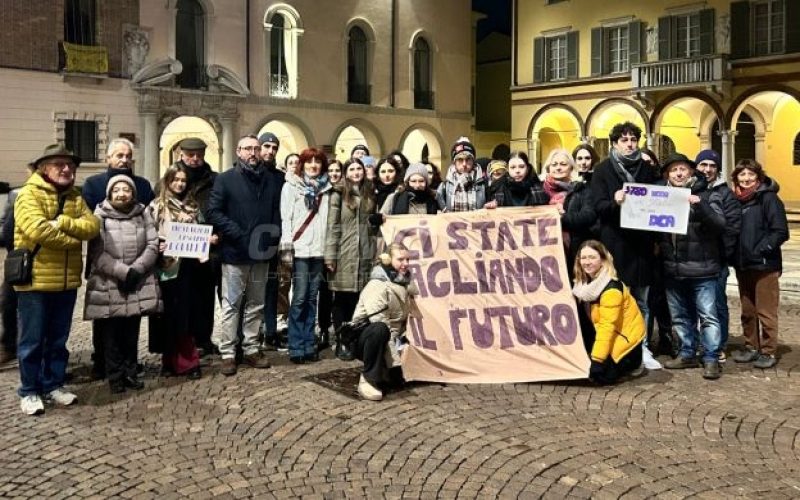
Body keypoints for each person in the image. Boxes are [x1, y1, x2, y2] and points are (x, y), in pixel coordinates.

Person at [14, 144, 100, 415]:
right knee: (32, 340)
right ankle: (29, 390)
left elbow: (93, 226)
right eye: (60, 165)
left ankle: (53, 384)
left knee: (58, 339)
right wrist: (74, 242)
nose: (67, 170)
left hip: (65, 281)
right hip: (36, 281)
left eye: (71, 166)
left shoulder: (75, 196)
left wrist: (63, 223)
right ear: (43, 168)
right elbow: (37, 230)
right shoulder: (28, 193)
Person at [207, 135, 283, 376]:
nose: (253, 152)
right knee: (231, 305)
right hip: (234, 252)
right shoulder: (225, 179)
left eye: (256, 148)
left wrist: (273, 236)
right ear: (238, 151)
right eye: (248, 148)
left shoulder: (270, 180)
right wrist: (238, 233)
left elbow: (276, 212)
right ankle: (228, 352)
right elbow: (213, 212)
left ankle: (251, 348)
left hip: (261, 253)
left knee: (256, 304)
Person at [590, 121, 662, 370]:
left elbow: (659, 199)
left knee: (642, 300)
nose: (630, 144)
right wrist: (614, 201)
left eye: (633, 140)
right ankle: (619, 348)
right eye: (624, 140)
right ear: (614, 143)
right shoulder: (603, 170)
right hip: (616, 244)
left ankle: (641, 347)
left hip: (641, 245)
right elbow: (597, 206)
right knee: (617, 299)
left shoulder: (646, 169)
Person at [82, 138, 155, 379]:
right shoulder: (93, 185)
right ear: (108, 158)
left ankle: (127, 365)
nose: (124, 160)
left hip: (137, 266)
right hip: (106, 267)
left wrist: (138, 267)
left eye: (127, 156)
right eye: (119, 155)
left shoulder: (143, 185)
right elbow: (91, 228)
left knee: (131, 316)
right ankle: (102, 362)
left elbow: (151, 223)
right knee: (104, 318)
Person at [656, 154, 726, 379]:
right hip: (673, 269)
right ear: (667, 174)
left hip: (702, 269)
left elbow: (719, 224)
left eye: (683, 169)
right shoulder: (660, 196)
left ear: (691, 172)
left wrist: (701, 205)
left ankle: (711, 357)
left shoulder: (707, 194)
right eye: (674, 170)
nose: (678, 173)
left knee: (708, 316)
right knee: (679, 316)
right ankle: (687, 353)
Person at [148, 164, 207, 380]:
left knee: (187, 316)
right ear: (168, 181)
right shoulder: (157, 206)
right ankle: (169, 361)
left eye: (183, 180)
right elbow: (148, 234)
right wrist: (157, 245)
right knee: (168, 317)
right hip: (167, 268)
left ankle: (188, 361)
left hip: (190, 268)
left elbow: (201, 230)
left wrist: (207, 239)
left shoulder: (193, 207)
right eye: (176, 180)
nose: (180, 184)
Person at [730, 159, 789, 369]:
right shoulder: (736, 200)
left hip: (765, 265)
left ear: (758, 177)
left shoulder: (769, 198)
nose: (746, 179)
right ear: (736, 178)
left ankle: (768, 351)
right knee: (748, 311)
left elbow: (780, 231)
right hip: (743, 265)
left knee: (766, 311)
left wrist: (762, 249)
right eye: (742, 175)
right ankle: (751, 347)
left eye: (751, 175)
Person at [279, 148, 334, 364]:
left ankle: (309, 343)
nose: (313, 165)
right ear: (302, 165)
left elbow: (328, 221)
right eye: (309, 162)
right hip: (300, 250)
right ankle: (296, 345)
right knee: (300, 298)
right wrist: (287, 248)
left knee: (312, 299)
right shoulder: (291, 187)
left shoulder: (327, 189)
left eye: (317, 162)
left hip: (319, 251)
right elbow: (286, 218)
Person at [351, 243, 418, 401]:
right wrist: (395, 364)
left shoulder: (404, 283)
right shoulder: (377, 286)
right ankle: (368, 378)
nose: (406, 264)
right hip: (366, 339)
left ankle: (387, 370)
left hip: (391, 339)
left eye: (408, 259)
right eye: (400, 259)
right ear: (387, 260)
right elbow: (381, 323)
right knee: (379, 329)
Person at [572, 240, 645, 385]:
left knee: (597, 377)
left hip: (623, 340)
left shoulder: (611, 289)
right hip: (607, 336)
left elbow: (607, 327)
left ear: (603, 260)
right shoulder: (583, 287)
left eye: (592, 257)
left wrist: (597, 360)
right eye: (584, 257)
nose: (587, 262)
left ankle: (632, 363)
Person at [325, 158, 377, 360]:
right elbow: (333, 226)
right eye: (352, 169)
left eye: (359, 168)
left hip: (364, 254)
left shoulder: (369, 193)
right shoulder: (338, 194)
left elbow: (371, 226)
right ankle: (341, 340)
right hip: (344, 253)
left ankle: (355, 338)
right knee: (342, 299)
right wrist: (330, 255)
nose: (356, 172)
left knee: (359, 300)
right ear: (346, 173)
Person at [171, 137, 218, 356]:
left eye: (199, 155)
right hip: (178, 255)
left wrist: (217, 235)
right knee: (182, 300)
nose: (195, 159)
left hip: (207, 250)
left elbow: (220, 210)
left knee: (206, 298)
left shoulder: (215, 180)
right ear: (181, 154)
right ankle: (184, 344)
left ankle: (204, 339)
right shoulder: (173, 179)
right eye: (191, 155)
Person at [695, 149, 741, 361]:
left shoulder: (725, 194)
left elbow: (731, 228)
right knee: (697, 305)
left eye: (712, 166)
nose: (708, 169)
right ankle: (700, 342)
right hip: (695, 258)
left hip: (716, 259)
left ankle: (719, 343)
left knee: (716, 304)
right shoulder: (690, 189)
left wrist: (724, 254)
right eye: (703, 165)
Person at [540, 149, 595, 275]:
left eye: (563, 164)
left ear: (571, 167)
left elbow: (588, 216)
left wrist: (563, 217)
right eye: (554, 165)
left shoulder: (582, 189)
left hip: (573, 251)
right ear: (548, 168)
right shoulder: (538, 190)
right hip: (544, 251)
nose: (558, 168)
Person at [259, 132, 290, 346]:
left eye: (274, 147)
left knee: (271, 289)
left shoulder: (280, 178)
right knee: (250, 292)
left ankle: (270, 332)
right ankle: (249, 334)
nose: (270, 151)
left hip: (272, 240)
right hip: (251, 241)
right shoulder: (249, 175)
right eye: (267, 146)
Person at [317, 159, 343, 349]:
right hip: (322, 246)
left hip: (343, 247)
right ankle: (324, 329)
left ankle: (341, 330)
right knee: (324, 292)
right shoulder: (321, 190)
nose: (334, 173)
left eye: (337, 170)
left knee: (341, 293)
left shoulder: (346, 190)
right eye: (331, 170)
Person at [437, 137, 487, 212]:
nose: (464, 164)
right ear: (454, 162)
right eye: (460, 160)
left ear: (473, 161)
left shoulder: (484, 185)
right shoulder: (444, 186)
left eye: (468, 159)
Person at [484, 151, 549, 208]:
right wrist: (491, 206)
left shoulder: (539, 188)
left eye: (521, 167)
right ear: (508, 169)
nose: (517, 171)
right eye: (513, 167)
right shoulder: (497, 187)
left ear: (527, 168)